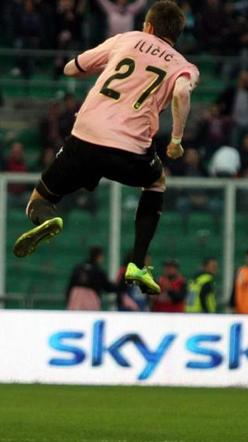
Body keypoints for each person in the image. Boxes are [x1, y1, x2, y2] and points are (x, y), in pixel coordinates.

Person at [12, 1, 199, 297]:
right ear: (176, 34)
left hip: (85, 137)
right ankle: (137, 262)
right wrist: (176, 139)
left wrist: (86, 68)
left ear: (147, 26)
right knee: (156, 181)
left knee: (38, 200)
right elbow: (180, 93)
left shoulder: (127, 39)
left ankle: (46, 219)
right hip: (129, 149)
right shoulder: (184, 66)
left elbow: (72, 69)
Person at [66, 246, 118, 310]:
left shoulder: (79, 267)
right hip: (90, 299)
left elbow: (70, 285)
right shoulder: (97, 270)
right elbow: (108, 287)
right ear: (99, 256)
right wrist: (119, 286)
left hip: (75, 298)